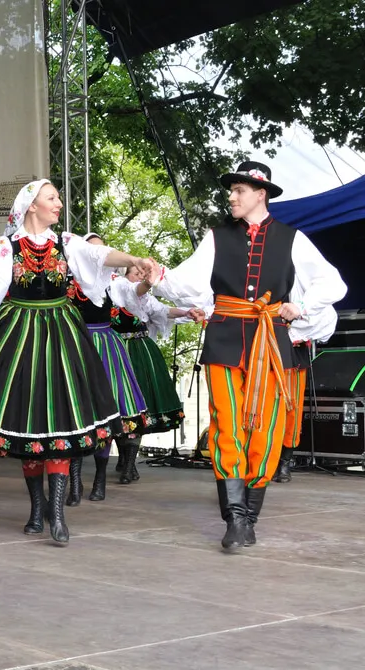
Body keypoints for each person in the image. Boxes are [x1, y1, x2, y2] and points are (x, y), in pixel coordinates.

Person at [0, 179, 154, 545]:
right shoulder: (4, 249)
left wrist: (133, 260)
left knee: (58, 423)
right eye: (51, 197)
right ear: (32, 205)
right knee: (30, 423)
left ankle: (55, 513)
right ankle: (37, 508)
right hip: (20, 337)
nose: (59, 203)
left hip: (61, 338)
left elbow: (101, 257)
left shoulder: (67, 243)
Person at [143, 161, 346, 549]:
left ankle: (250, 514)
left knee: (267, 430)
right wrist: (159, 275)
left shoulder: (292, 238)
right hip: (225, 339)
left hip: (271, 343)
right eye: (231, 190)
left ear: (260, 193)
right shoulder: (217, 237)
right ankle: (234, 518)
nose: (231, 196)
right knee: (227, 425)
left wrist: (300, 305)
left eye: (239, 190)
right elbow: (189, 282)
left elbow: (333, 283)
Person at [64, 232, 151, 505]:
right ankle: (75, 481)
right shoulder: (67, 283)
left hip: (104, 347)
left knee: (107, 411)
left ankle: (100, 478)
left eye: (102, 252)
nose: (98, 256)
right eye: (92, 251)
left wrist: (148, 282)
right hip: (74, 345)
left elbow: (134, 292)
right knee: (73, 413)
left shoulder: (113, 283)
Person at [110, 269, 203, 485]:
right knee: (116, 405)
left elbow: (163, 310)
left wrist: (187, 312)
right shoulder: (111, 290)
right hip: (114, 350)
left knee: (139, 405)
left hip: (139, 353)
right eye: (134, 273)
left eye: (141, 274)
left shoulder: (143, 297)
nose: (138, 277)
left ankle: (130, 463)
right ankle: (124, 458)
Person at [273, 276, 339, 483]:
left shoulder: (303, 284)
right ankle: (262, 460)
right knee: (265, 407)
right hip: (265, 351)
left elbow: (326, 314)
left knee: (291, 408)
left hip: (294, 355)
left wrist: (301, 331)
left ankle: (285, 462)